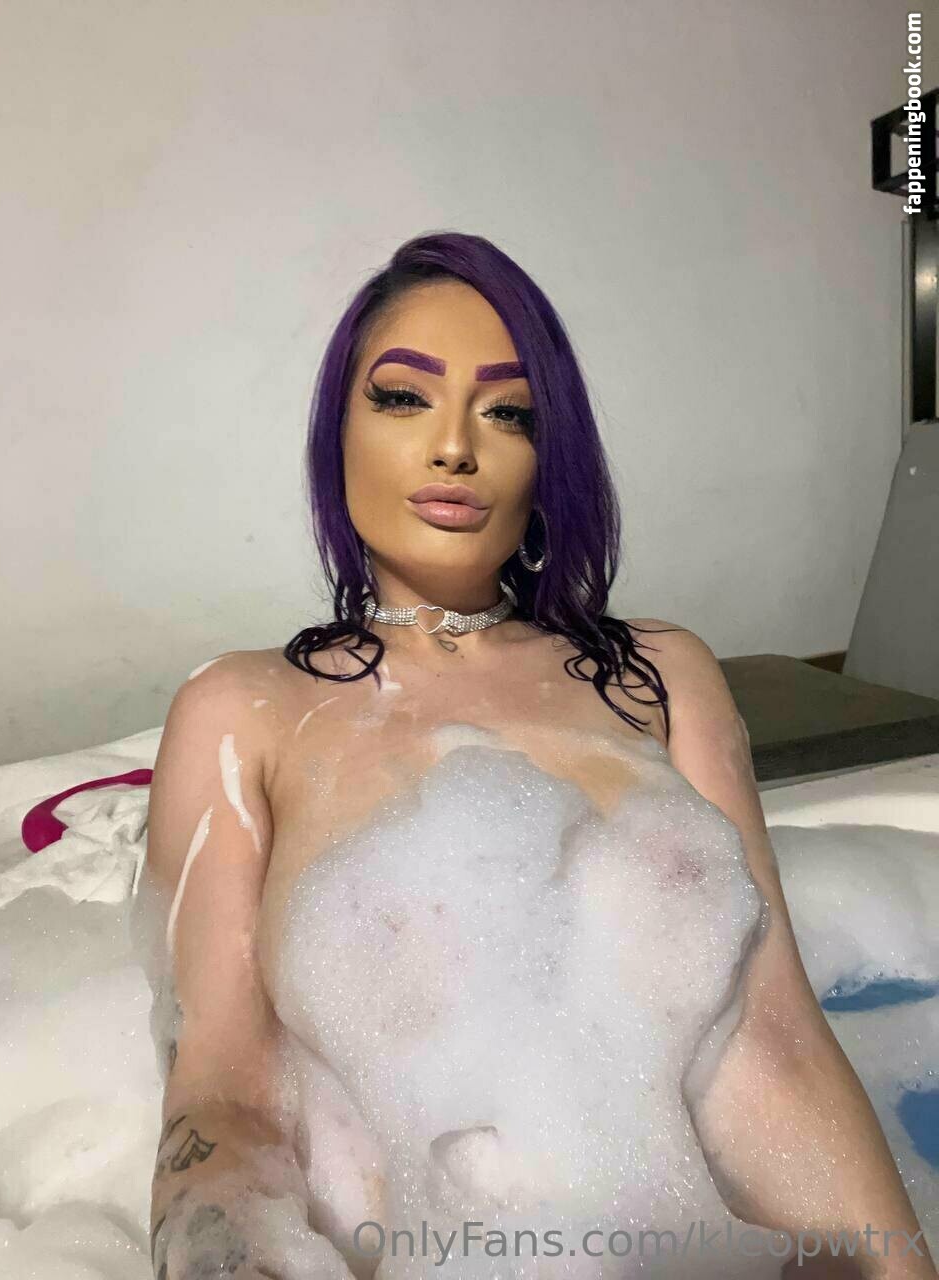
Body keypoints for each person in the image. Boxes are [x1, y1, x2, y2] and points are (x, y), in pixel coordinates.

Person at [135, 232, 935, 1280]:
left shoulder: (660, 676)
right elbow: (224, 1097)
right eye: (403, 398)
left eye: (508, 412)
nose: (454, 447)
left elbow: (774, 1035)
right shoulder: (244, 710)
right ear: (338, 434)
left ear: (549, 457)